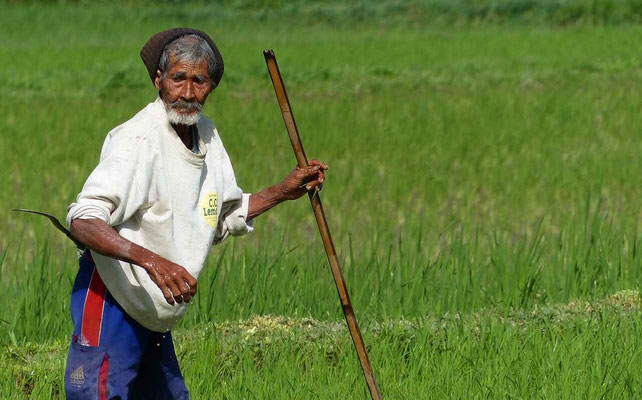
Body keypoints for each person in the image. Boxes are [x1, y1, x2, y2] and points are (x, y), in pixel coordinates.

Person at [64, 28, 327, 400]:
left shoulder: (206, 135)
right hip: (115, 299)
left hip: (156, 311)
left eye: (199, 80)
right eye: (178, 79)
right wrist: (153, 262)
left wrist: (282, 192)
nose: (187, 93)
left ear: (212, 86)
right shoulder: (138, 140)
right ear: (159, 80)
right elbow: (83, 220)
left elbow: (218, 214)